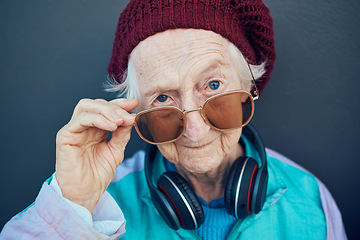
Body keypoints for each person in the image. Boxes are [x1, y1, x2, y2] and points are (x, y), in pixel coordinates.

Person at [0, 0, 347, 239]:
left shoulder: (310, 200)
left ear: (248, 88)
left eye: (212, 85)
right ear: (136, 114)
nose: (195, 130)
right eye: (163, 98)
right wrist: (72, 205)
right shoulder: (97, 200)